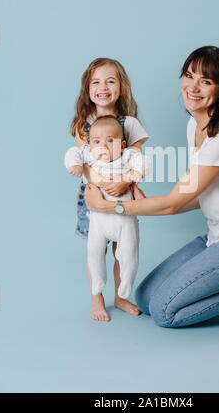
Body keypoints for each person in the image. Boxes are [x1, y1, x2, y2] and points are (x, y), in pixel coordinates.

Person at [84, 46, 219, 329]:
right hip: (218, 234)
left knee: (165, 312)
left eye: (206, 81)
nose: (192, 87)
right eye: (189, 75)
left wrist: (113, 206)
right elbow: (193, 194)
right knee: (144, 298)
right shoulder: (196, 123)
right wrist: (143, 201)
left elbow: (175, 203)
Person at [70, 58, 149, 321]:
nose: (103, 87)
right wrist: (104, 185)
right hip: (94, 193)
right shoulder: (84, 124)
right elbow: (83, 162)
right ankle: (97, 297)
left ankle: (121, 296)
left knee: (122, 247)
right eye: (96, 82)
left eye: (110, 81)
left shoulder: (130, 122)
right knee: (96, 248)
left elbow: (136, 157)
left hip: (123, 193)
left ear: (121, 88)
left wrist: (126, 182)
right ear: (87, 90)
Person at [65, 115, 151, 302]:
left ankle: (126, 282)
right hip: (99, 219)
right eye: (96, 141)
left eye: (110, 141)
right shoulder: (89, 154)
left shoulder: (127, 156)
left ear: (121, 145)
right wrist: (74, 165)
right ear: (90, 144)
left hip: (124, 219)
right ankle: (98, 280)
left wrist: (136, 173)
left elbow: (144, 161)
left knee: (129, 251)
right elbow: (73, 152)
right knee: (94, 250)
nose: (102, 146)